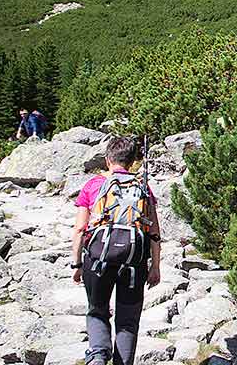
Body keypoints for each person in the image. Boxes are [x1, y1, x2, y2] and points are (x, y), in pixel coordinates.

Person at [70, 136, 162, 365]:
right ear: (132, 162)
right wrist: (156, 267)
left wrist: (77, 264)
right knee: (128, 321)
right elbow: (154, 231)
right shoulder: (142, 187)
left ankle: (98, 356)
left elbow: (81, 228)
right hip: (134, 261)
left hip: (98, 258)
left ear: (107, 159)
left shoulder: (93, 185)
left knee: (97, 311)